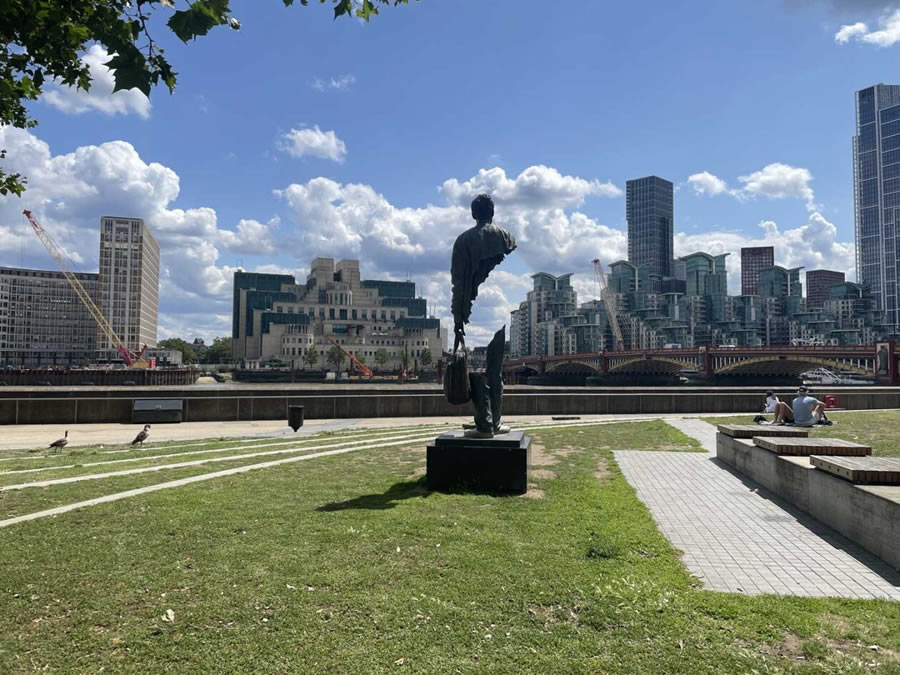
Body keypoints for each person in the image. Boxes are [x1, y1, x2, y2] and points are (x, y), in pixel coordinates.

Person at [449, 193, 517, 438]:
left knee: (474, 373)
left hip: (473, 313)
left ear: (473, 213)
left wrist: (458, 318)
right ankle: (494, 421)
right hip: (501, 314)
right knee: (495, 372)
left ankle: (484, 423)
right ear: (493, 212)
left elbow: (458, 282)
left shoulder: (463, 241)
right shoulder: (506, 236)